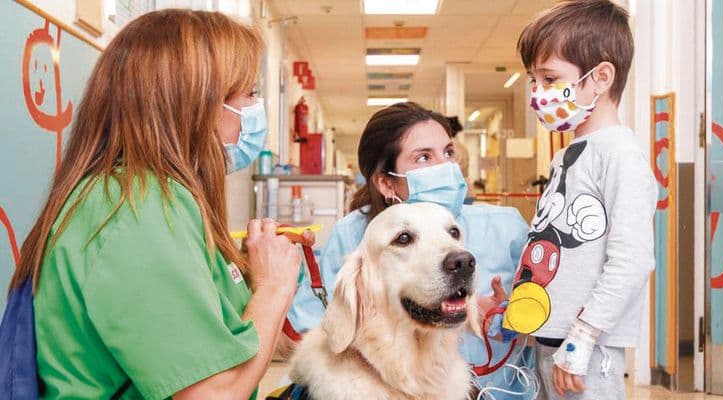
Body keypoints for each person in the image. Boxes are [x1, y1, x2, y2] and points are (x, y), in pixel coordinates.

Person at [8, 10, 312, 399]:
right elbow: (212, 394)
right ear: (194, 103)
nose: (256, 109)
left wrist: (256, 276)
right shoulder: (135, 210)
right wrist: (274, 287)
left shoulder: (142, 199)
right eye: (249, 94)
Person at [286, 102, 537, 398]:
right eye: (423, 157)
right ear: (386, 182)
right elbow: (311, 332)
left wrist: (513, 319)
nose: (444, 167)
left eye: (448, 153)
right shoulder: (355, 233)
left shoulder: (505, 226)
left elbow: (554, 325)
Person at [512, 1, 657, 399]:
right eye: (532, 79)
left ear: (601, 78)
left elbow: (632, 259)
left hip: (585, 349)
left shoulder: (620, 156)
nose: (537, 94)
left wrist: (584, 335)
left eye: (549, 77)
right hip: (549, 337)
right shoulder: (568, 155)